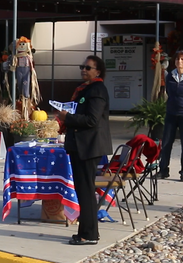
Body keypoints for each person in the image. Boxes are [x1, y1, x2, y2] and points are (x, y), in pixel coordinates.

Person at [58, 55, 113, 245]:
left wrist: (68, 118)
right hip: (81, 145)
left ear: (98, 71)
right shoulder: (84, 89)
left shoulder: (97, 90)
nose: (84, 70)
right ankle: (86, 232)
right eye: (82, 67)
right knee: (83, 190)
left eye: (88, 67)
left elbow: (92, 120)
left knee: (86, 190)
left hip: (88, 146)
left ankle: (89, 235)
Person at [158, 50, 183, 182]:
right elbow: (168, 92)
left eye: (182, 59)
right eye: (177, 59)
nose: (179, 62)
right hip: (171, 113)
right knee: (167, 142)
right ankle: (163, 170)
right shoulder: (170, 76)